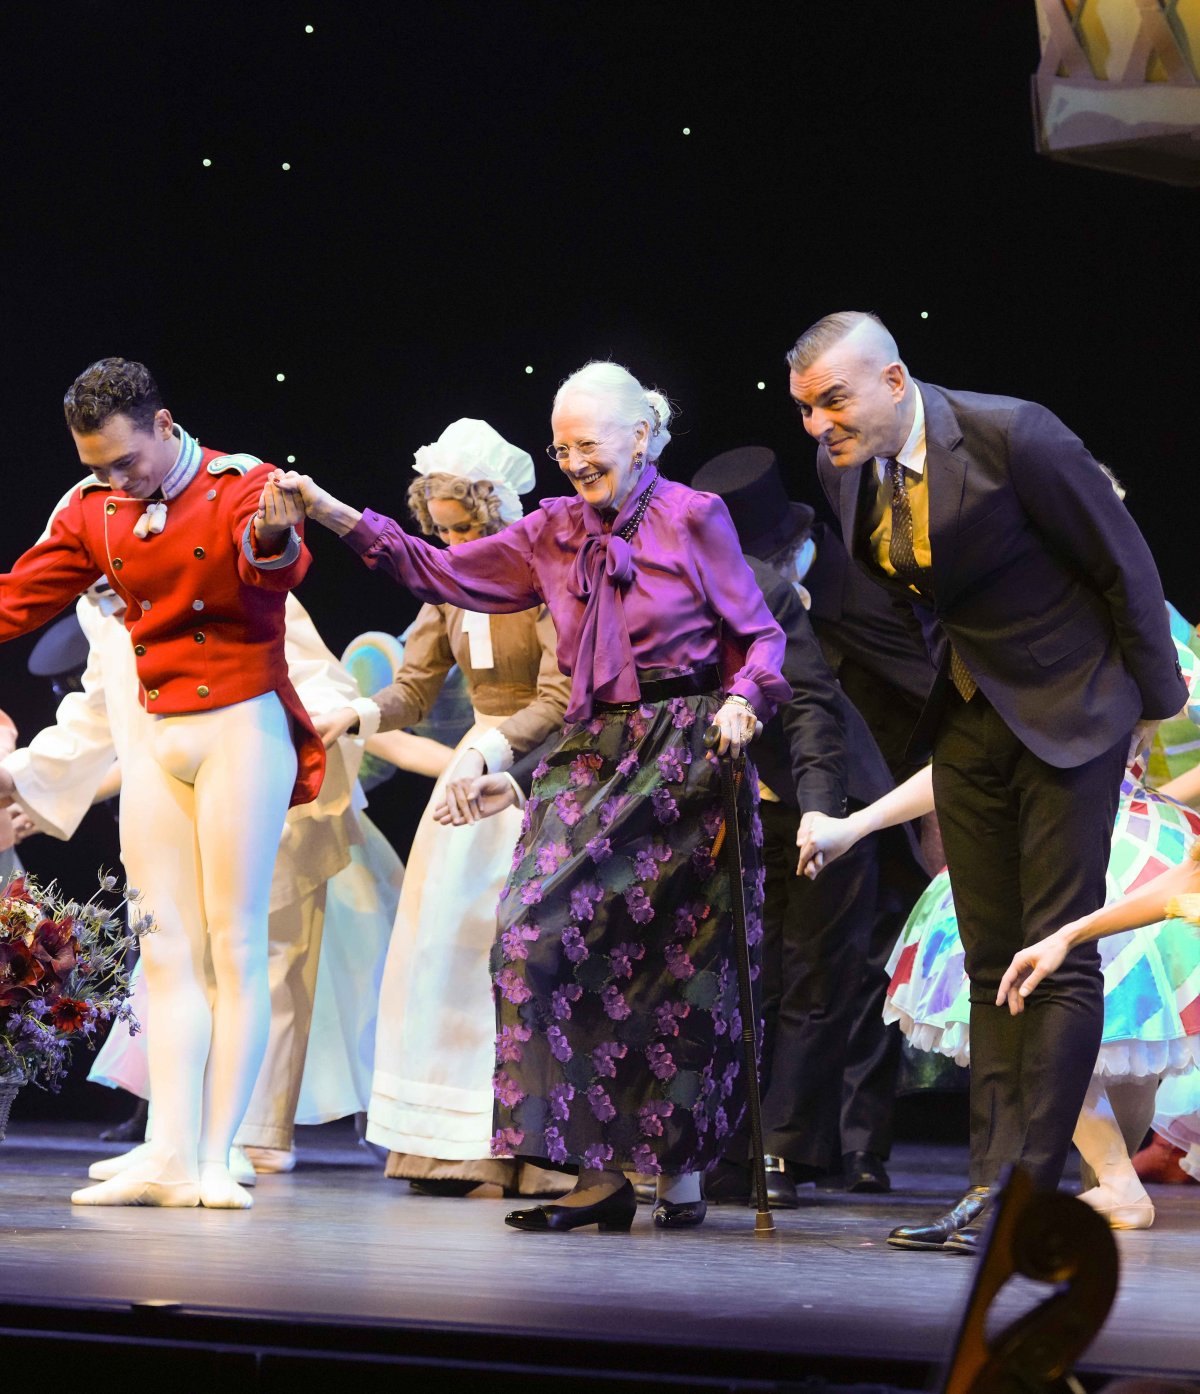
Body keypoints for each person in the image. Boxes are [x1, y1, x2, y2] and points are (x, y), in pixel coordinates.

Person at [260, 360, 789, 1231]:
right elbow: (435, 570)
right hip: (593, 744)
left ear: (640, 437)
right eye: (562, 448)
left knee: (677, 962)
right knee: (531, 935)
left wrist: (743, 698)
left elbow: (758, 637)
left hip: (686, 743)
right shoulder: (550, 532)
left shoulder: (698, 518)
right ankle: (588, 1166)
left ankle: (671, 1166)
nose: (576, 462)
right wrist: (329, 510)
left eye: (590, 445)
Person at [788, 312, 1185, 1252]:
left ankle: (1032, 1194)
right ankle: (987, 1187)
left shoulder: (1015, 435)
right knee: (987, 957)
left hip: (1073, 714)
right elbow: (921, 595)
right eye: (805, 408)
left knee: (1056, 949)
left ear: (893, 381)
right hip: (970, 716)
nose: (817, 426)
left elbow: (1123, 565)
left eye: (832, 401)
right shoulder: (843, 468)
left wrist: (1145, 713)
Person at [0, 357, 324, 1208]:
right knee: (165, 949)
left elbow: (275, 571)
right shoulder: (92, 509)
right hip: (155, 741)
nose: (113, 479)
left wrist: (274, 538)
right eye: (95, 466)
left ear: (165, 425)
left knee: (234, 942)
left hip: (239, 728)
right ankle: (169, 1149)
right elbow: (19, 598)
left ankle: (217, 1155)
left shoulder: (239, 484)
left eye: (125, 461)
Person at [0, 586, 417, 1177]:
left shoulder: (220, 567)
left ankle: (251, 1135)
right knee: (175, 960)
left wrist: (312, 724)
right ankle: (178, 1137)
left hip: (269, 785)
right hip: (174, 793)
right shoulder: (100, 603)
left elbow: (310, 669)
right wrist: (22, 777)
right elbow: (103, 710)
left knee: (260, 958)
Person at [316, 419, 571, 1197]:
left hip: (541, 767)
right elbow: (416, 688)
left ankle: (539, 1148)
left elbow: (562, 695)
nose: (453, 543)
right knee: (448, 957)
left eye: (464, 529)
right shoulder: (451, 586)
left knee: (525, 958)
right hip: (468, 780)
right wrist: (357, 716)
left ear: (498, 518)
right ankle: (456, 1145)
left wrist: (495, 750)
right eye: (442, 530)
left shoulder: (545, 579)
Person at [689, 446, 928, 1200]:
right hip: (753, 801)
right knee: (751, 973)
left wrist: (853, 810)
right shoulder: (710, 599)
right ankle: (742, 1141)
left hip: (841, 796)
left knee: (818, 977)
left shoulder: (845, 592)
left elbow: (838, 704)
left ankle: (786, 1151)